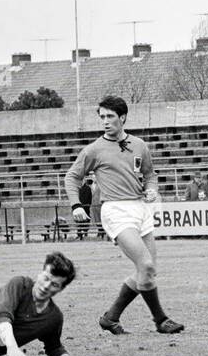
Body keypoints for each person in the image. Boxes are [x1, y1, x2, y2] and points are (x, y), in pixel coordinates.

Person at [64, 95, 183, 335]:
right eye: (102, 117)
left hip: (140, 208)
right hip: (115, 210)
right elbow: (72, 177)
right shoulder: (94, 149)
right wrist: (76, 205)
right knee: (146, 264)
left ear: (123, 117)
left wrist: (151, 190)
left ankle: (111, 318)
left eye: (110, 116)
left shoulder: (139, 145)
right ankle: (160, 320)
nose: (105, 121)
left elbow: (150, 174)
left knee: (148, 270)